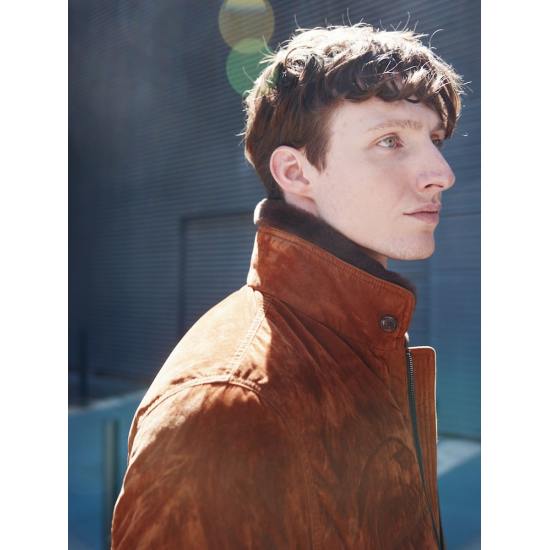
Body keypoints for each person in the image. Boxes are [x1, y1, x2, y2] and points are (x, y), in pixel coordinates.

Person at [111, 22, 464, 549]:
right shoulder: (224, 405)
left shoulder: (366, 337)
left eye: (434, 140)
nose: (441, 173)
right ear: (296, 173)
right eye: (390, 141)